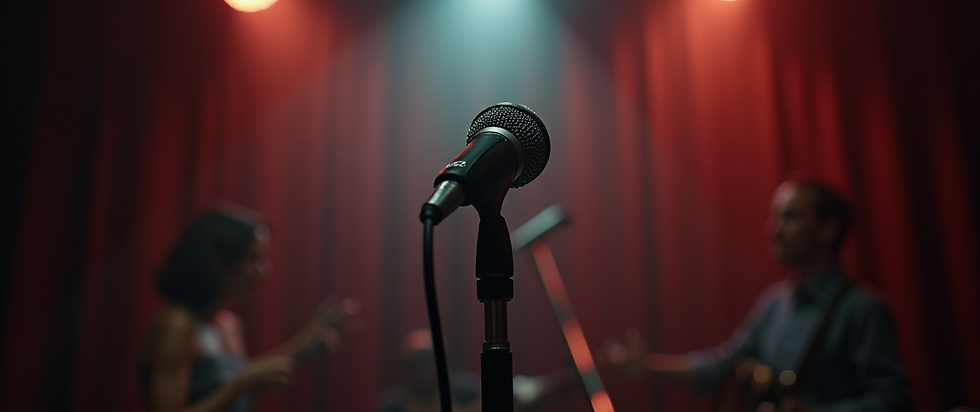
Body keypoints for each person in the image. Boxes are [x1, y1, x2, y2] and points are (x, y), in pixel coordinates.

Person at [604, 179, 913, 412]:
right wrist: (648, 366)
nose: (773, 228)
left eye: (789, 217)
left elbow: (894, 400)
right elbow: (725, 365)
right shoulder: (775, 304)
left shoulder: (863, 309)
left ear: (828, 229)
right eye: (776, 216)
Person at [138, 205, 359, 412]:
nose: (264, 270)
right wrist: (242, 384)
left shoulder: (228, 325)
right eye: (253, 258)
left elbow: (243, 378)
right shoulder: (177, 326)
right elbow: (241, 382)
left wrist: (308, 341)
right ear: (218, 262)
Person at [375, 329, 576, 412]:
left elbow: (516, 400)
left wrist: (563, 382)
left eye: (430, 361)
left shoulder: (466, 392)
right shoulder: (391, 407)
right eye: (417, 364)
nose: (426, 370)